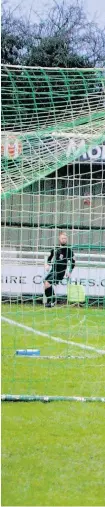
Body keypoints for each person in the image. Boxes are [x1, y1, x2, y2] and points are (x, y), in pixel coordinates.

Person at [44, 231, 75, 307]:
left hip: (60, 272)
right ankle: (51, 301)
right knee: (45, 283)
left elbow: (73, 262)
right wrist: (47, 264)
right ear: (59, 239)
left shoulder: (68, 250)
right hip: (53, 270)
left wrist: (69, 271)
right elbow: (49, 257)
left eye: (65, 238)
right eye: (62, 238)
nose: (64, 240)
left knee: (47, 283)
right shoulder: (55, 248)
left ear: (66, 239)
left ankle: (52, 301)